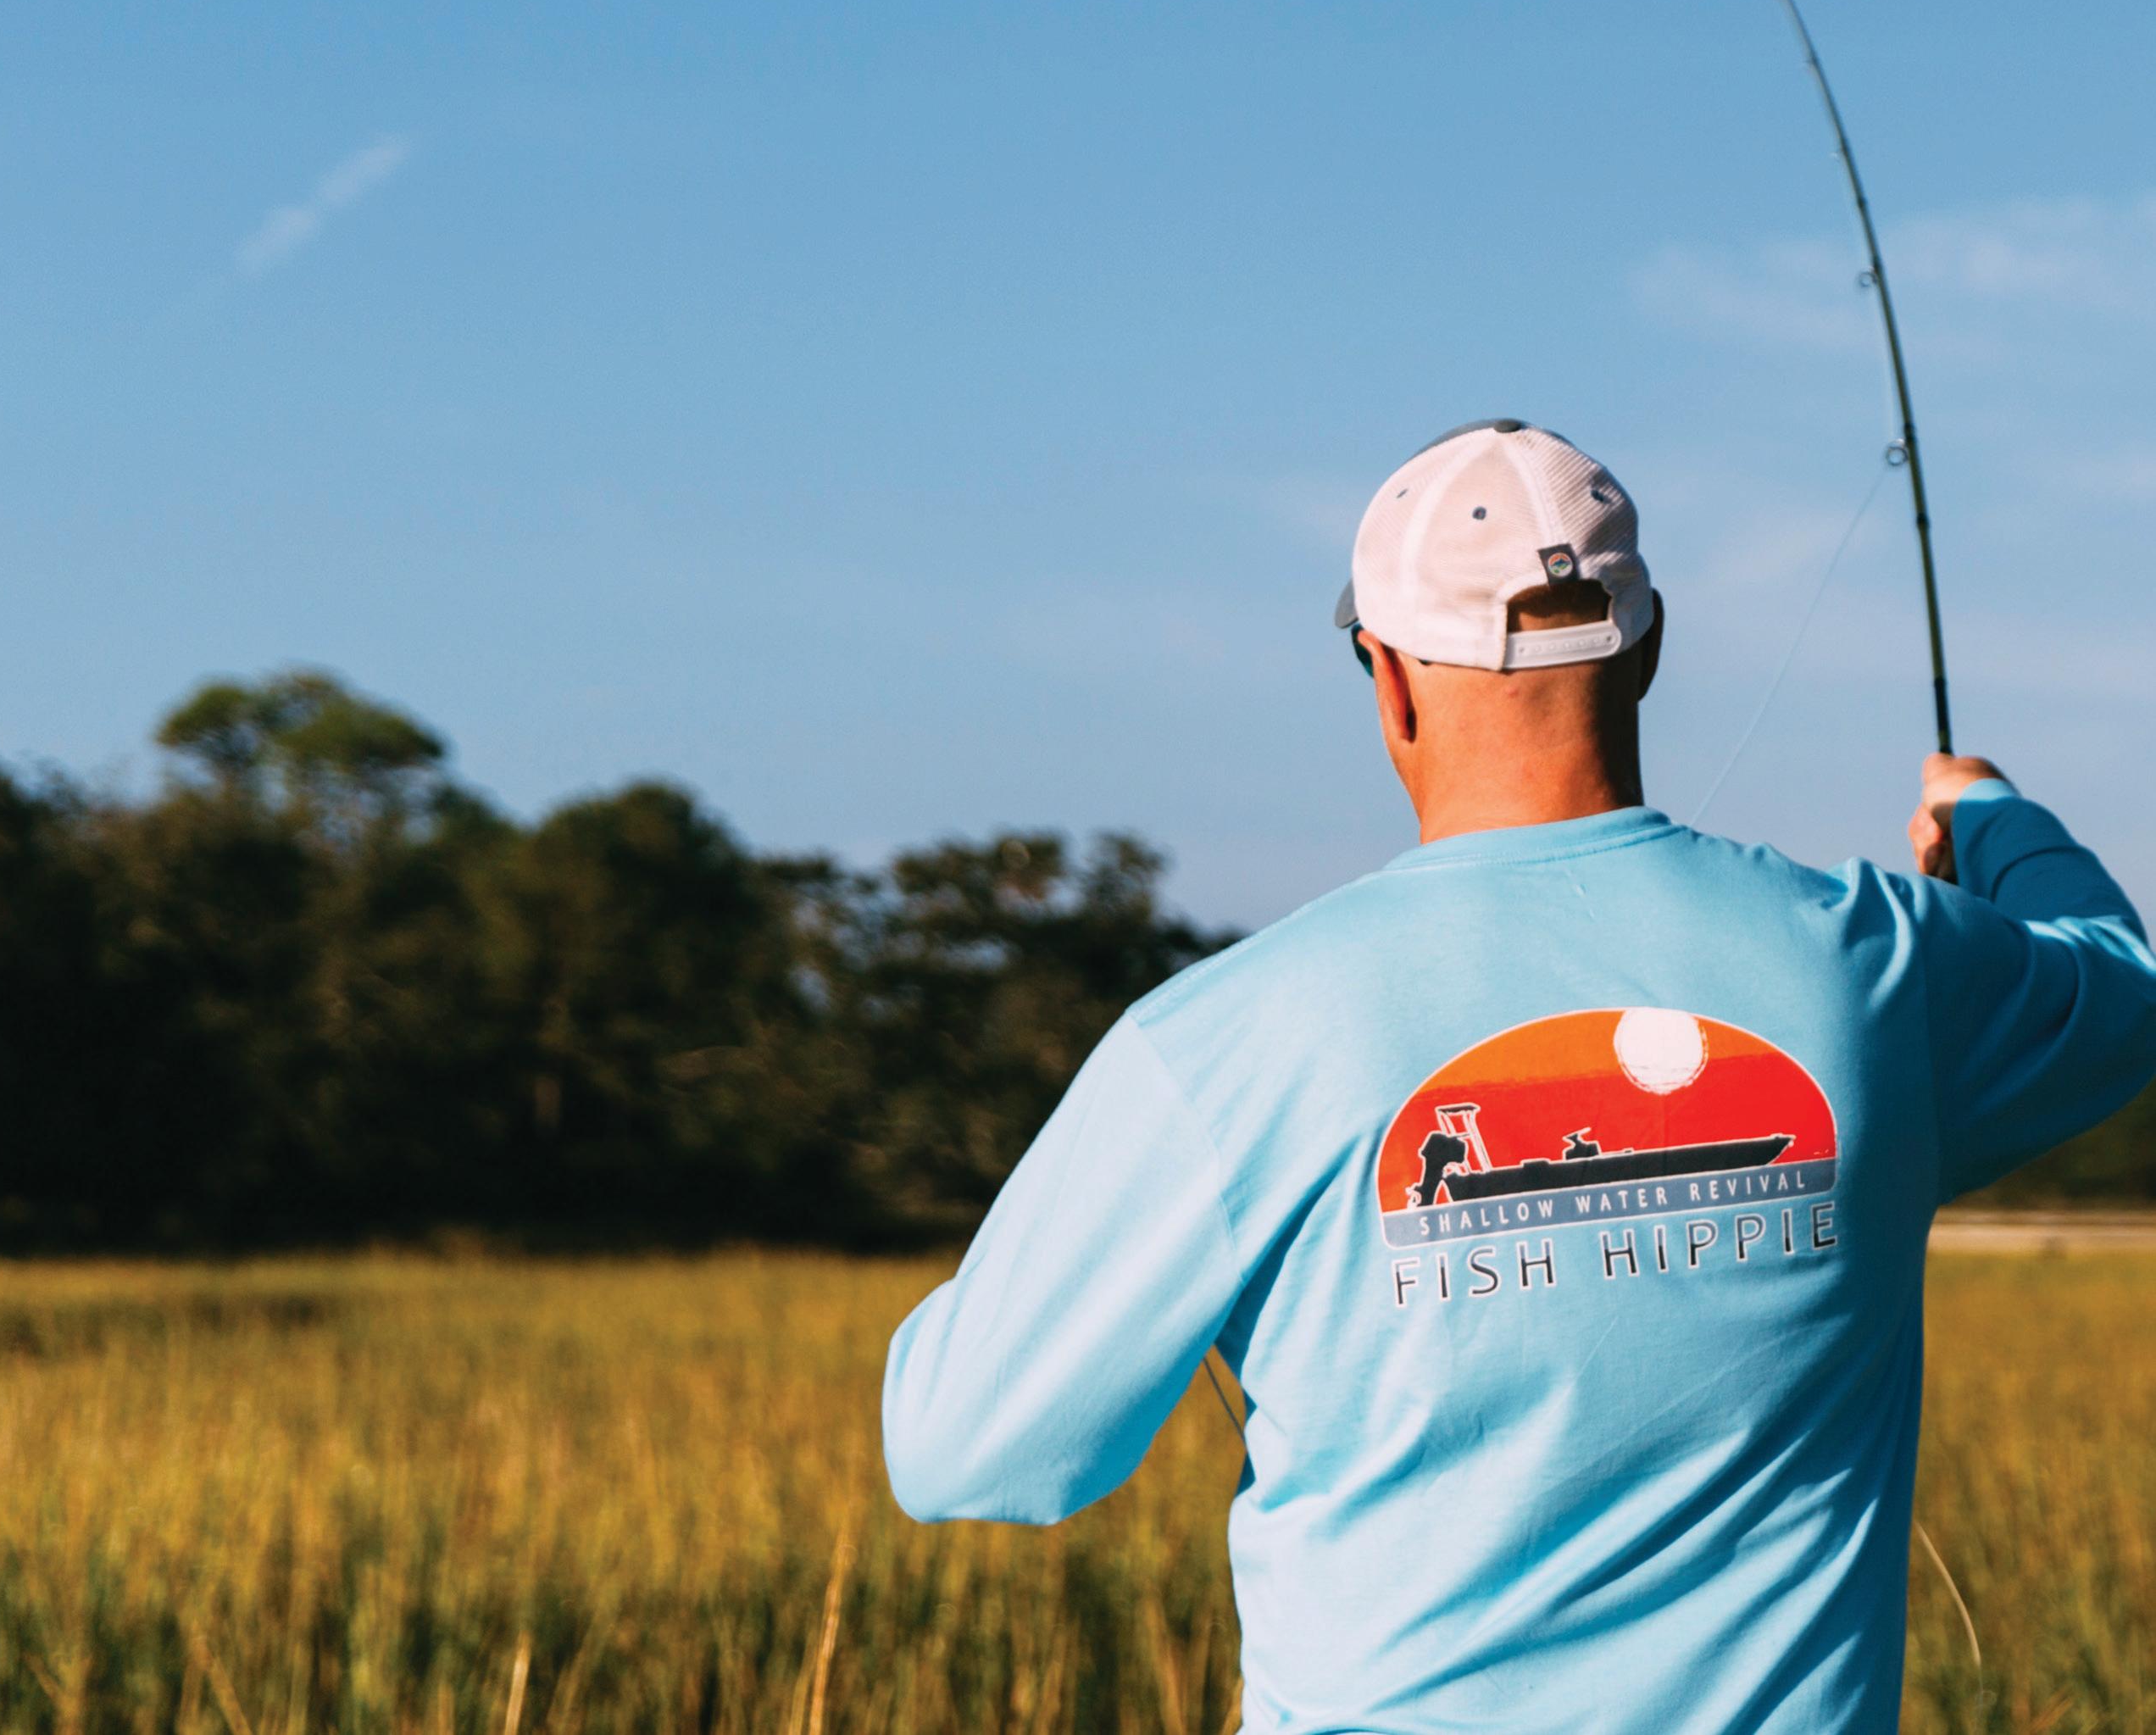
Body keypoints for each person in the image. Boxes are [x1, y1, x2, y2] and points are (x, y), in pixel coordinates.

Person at [881, 419, 2156, 1734]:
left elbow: (962, 1452)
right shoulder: (1877, 964)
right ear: (1647, 651)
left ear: (1388, 678)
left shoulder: (1220, 1039)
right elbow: (2122, 984)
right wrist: (1991, 815)